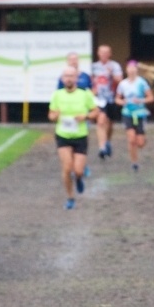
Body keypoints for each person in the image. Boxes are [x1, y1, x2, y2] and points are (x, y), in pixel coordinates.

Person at [48, 66, 99, 209]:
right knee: (66, 168)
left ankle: (79, 177)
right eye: (66, 76)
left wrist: (86, 116)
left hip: (80, 136)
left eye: (71, 76)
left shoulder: (85, 94)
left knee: (78, 170)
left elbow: (96, 111)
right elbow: (51, 115)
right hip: (63, 135)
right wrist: (55, 116)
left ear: (76, 78)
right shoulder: (57, 95)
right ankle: (70, 197)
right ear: (62, 79)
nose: (69, 79)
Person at [115, 60, 153, 171]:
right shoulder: (122, 84)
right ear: (126, 70)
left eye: (133, 68)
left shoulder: (142, 83)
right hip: (127, 113)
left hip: (140, 113)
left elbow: (151, 97)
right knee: (131, 139)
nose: (131, 70)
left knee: (140, 142)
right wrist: (122, 102)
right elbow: (117, 99)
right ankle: (134, 162)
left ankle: (142, 140)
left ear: (137, 70)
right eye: (129, 68)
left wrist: (141, 100)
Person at [89, 44, 125, 160]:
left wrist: (112, 74)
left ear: (110, 54)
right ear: (98, 53)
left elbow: (120, 81)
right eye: (101, 52)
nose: (104, 54)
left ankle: (107, 141)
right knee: (101, 121)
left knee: (110, 123)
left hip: (111, 98)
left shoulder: (114, 66)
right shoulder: (93, 67)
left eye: (106, 52)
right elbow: (89, 81)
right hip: (99, 98)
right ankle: (102, 148)